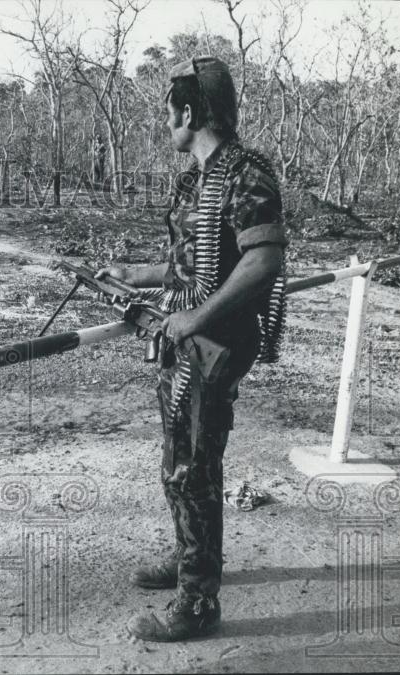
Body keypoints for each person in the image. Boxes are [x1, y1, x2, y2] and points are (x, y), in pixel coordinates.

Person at [96, 56, 288, 641]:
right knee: (179, 463)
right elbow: (194, 264)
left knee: (194, 469)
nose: (166, 125)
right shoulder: (196, 179)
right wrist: (137, 272)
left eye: (168, 114)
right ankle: (191, 562)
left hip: (216, 342)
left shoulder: (245, 173)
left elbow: (262, 261)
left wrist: (194, 318)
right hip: (189, 340)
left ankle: (198, 604)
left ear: (187, 111)